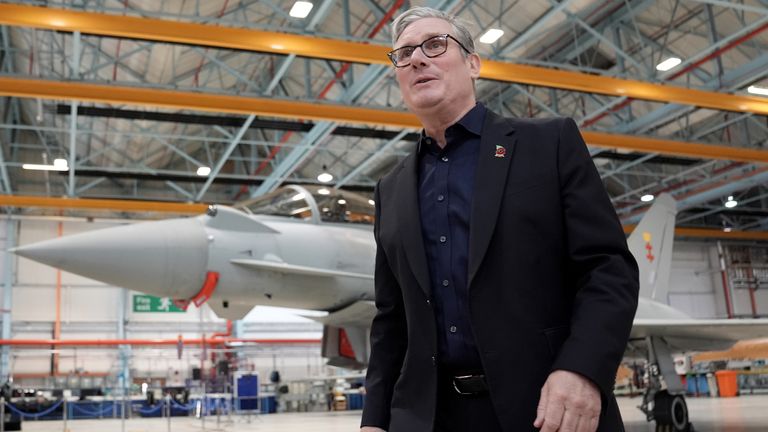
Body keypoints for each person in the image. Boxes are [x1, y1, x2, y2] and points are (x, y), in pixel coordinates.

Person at [360, 6, 639, 432]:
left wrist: (582, 370)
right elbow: (391, 320)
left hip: (547, 408)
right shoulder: (391, 190)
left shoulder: (549, 144)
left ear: (473, 64)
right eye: (404, 54)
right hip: (429, 418)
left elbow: (608, 270)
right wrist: (374, 420)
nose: (417, 59)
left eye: (435, 45)